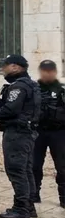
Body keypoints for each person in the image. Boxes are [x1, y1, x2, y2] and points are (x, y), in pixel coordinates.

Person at [0, 54, 40, 218]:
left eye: (5, 66)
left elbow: (11, 109)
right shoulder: (31, 85)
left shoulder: (18, 87)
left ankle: (21, 209)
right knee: (25, 170)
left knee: (16, 170)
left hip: (17, 134)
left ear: (15, 67)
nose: (3, 69)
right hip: (26, 132)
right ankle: (28, 205)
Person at [33, 60, 65, 207]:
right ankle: (33, 194)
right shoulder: (34, 89)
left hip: (58, 133)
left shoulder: (61, 90)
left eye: (50, 70)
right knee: (34, 165)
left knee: (62, 166)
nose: (47, 73)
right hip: (38, 131)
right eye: (44, 70)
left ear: (55, 72)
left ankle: (63, 197)